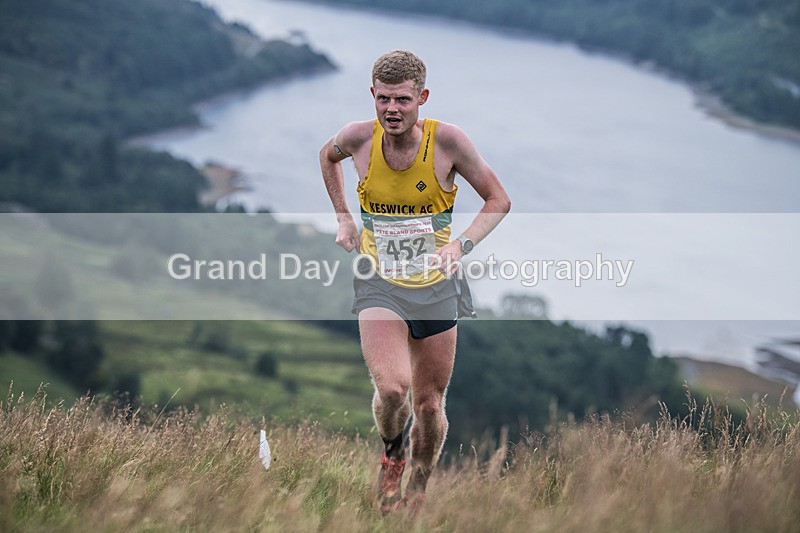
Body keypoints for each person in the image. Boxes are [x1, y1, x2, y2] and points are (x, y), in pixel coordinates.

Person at [319, 50, 510, 514]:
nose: (392, 110)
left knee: (428, 405)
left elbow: (498, 200)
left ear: (422, 97)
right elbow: (328, 157)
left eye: (402, 99)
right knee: (392, 390)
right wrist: (344, 218)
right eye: (383, 99)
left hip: (436, 288)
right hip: (379, 281)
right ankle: (392, 454)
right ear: (373, 96)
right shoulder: (358, 139)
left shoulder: (448, 144)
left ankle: (419, 486)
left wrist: (459, 246)